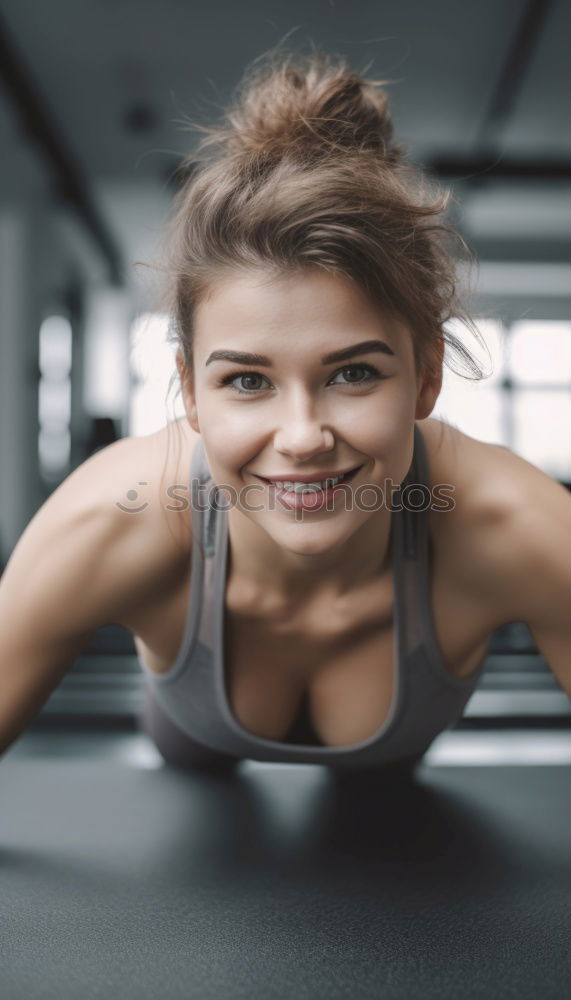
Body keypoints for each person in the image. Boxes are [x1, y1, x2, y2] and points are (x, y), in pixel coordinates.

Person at [1, 50, 569, 776]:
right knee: (192, 760)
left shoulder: (517, 526)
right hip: (191, 732)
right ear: (190, 393)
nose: (302, 438)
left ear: (426, 377)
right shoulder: (111, 518)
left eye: (354, 373)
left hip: (387, 794)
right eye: (245, 382)